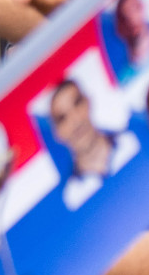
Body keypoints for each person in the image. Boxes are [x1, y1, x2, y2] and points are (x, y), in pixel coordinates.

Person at [50, 80, 139, 210]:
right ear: (57, 133)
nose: (75, 120)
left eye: (77, 103)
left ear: (88, 102)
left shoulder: (132, 140)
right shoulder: (72, 197)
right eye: (62, 118)